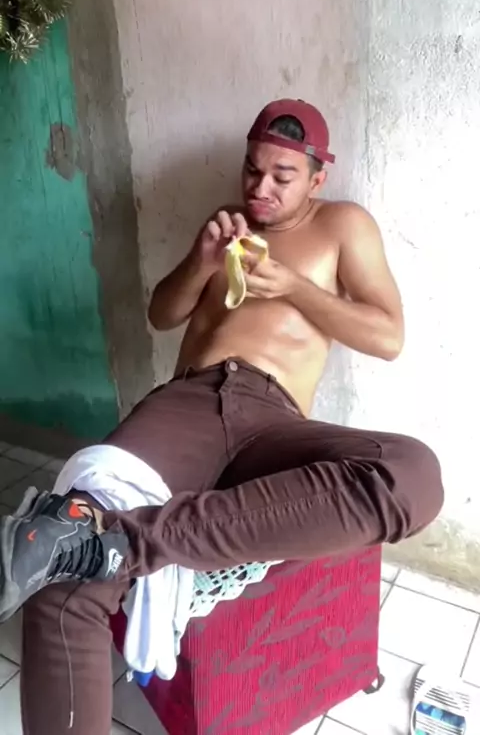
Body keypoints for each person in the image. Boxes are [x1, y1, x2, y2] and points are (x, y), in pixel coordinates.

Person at [0, 99, 443, 735]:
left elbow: (388, 336)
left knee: (412, 474)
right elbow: (162, 313)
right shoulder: (226, 226)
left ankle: (121, 539)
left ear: (317, 178)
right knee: (63, 589)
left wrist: (293, 287)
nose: (261, 188)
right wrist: (202, 261)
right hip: (189, 403)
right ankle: (91, 542)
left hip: (276, 420)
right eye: (252, 170)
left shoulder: (343, 226)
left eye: (282, 177)